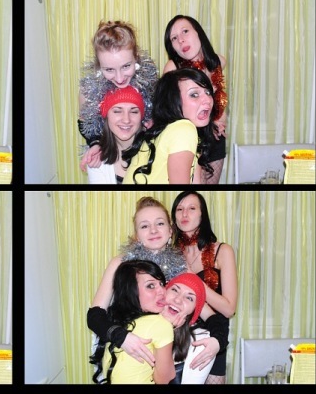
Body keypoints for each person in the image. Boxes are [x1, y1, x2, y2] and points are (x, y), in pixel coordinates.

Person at [87, 197, 226, 382]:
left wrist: (217, 341)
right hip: (125, 348)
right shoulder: (120, 263)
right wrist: (122, 337)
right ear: (137, 235)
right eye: (145, 226)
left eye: (159, 223)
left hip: (162, 353)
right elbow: (94, 315)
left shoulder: (180, 265)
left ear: (170, 231)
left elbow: (211, 316)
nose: (153, 230)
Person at [172, 191, 238, 384]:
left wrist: (193, 280)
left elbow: (229, 309)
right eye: (179, 209)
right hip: (179, 336)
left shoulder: (222, 251)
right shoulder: (171, 253)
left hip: (215, 336)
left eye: (192, 208)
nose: (184, 214)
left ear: (203, 215)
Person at [78, 20, 158, 172]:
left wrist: (155, 119)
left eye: (126, 66)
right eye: (109, 70)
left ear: (136, 57)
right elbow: (86, 124)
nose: (120, 79)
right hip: (112, 155)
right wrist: (95, 143)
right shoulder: (88, 90)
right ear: (99, 66)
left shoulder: (149, 79)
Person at [122, 68, 217, 184]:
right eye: (194, 95)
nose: (207, 100)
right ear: (173, 101)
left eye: (208, 92)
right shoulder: (183, 129)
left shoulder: (176, 130)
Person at [164, 15, 228, 184]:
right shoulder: (173, 69)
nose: (181, 40)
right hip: (189, 140)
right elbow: (169, 112)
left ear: (198, 32)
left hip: (215, 137)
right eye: (174, 38)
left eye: (185, 31)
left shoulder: (218, 61)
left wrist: (220, 120)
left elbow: (220, 95)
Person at [87, 86, 146, 184]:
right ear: (106, 116)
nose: (126, 120)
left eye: (134, 111)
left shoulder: (156, 151)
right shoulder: (97, 159)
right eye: (117, 111)